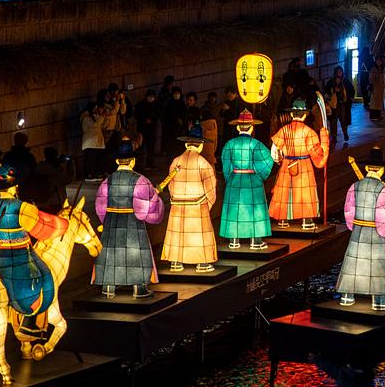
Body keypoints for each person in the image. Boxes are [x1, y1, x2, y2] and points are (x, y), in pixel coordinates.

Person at [0, 164, 68, 333]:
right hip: (16, 257)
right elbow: (44, 228)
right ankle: (30, 320)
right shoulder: (22, 208)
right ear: (15, 186)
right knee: (45, 277)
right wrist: (63, 224)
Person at [336, 147, 385, 311]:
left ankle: (346, 297)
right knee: (377, 266)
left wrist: (354, 226)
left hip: (358, 230)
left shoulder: (355, 186)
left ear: (367, 168)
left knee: (353, 263)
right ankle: (378, 301)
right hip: (376, 233)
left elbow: (348, 210)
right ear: (381, 170)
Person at [93, 142, 165, 298]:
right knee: (136, 254)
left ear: (117, 161)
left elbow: (100, 204)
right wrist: (155, 198)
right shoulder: (141, 180)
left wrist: (105, 220)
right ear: (133, 161)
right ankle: (139, 288)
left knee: (111, 254)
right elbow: (147, 206)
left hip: (111, 221)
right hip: (133, 222)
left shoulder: (107, 181)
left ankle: (108, 287)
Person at [159, 125, 219, 273]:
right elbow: (211, 189)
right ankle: (202, 263)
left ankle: (176, 262)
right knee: (198, 236)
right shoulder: (203, 164)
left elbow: (170, 185)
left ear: (186, 144)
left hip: (177, 204)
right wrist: (208, 204)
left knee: (177, 234)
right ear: (201, 146)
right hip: (197, 204)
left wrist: (174, 199)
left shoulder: (175, 161)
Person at [269, 98, 329, 230]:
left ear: (291, 114)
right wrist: (325, 141)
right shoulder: (309, 132)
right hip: (304, 164)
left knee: (284, 192)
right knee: (305, 193)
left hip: (287, 163)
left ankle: (282, 220)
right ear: (305, 115)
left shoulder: (283, 130)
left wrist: (280, 161)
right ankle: (307, 221)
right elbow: (318, 157)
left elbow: (274, 151)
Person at [219, 110, 276, 250]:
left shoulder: (229, 144)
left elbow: (225, 164)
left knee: (234, 210)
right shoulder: (256, 144)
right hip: (252, 179)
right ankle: (255, 241)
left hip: (235, 179)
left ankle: (233, 241)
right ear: (251, 127)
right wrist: (260, 175)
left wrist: (228, 178)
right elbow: (268, 160)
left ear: (238, 127)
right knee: (255, 210)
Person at [324, 65, 356, 144]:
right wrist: (333, 90)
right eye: (338, 72)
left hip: (343, 104)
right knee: (333, 121)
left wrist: (351, 98)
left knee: (343, 120)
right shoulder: (332, 81)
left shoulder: (345, 81)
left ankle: (345, 133)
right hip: (334, 105)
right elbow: (326, 90)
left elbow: (351, 89)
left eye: (340, 72)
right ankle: (334, 136)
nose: (339, 73)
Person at [80, 102, 109, 178]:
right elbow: (95, 125)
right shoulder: (86, 118)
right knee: (90, 159)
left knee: (97, 159)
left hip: (97, 142)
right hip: (90, 142)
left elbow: (103, 125)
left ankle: (96, 173)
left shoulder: (96, 117)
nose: (96, 110)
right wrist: (102, 116)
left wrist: (105, 117)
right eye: (95, 108)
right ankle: (89, 174)